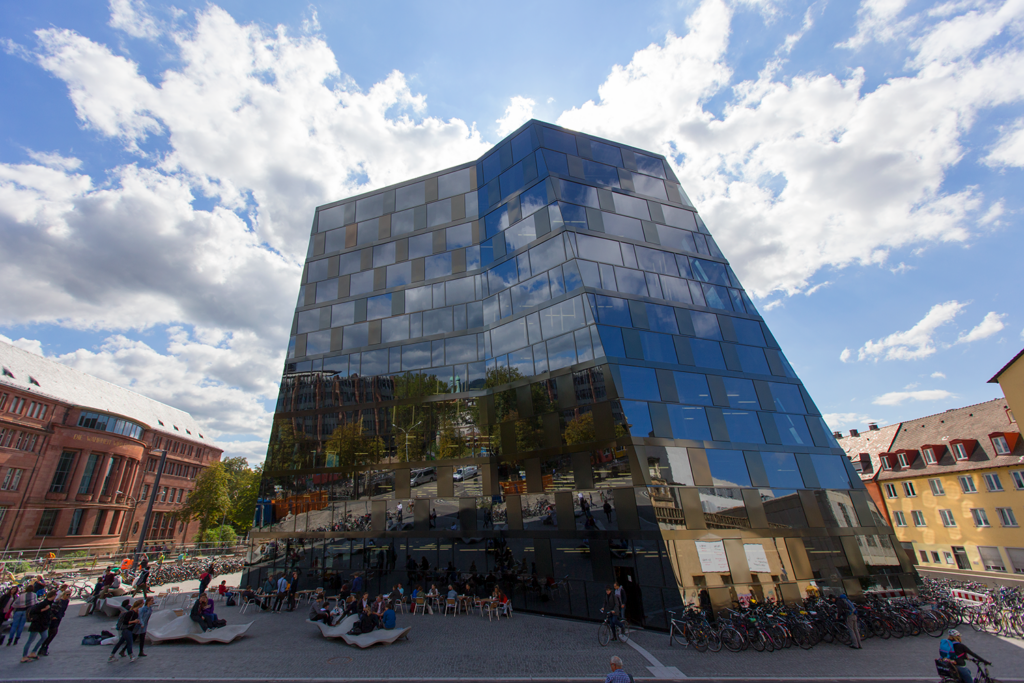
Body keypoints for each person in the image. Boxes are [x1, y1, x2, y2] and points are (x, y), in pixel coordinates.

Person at [21, 590, 52, 662]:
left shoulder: (49, 603)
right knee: (30, 640)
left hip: (42, 625)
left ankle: (33, 652)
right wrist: (44, 609)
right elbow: (34, 611)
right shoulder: (44, 603)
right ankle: (24, 657)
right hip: (36, 624)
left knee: (44, 637)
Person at [38, 589, 70, 656]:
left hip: (59, 618)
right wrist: (53, 616)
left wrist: (62, 615)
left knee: (53, 634)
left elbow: (64, 609)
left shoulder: (67, 601)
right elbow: (51, 610)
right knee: (52, 633)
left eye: (69, 594)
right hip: (54, 618)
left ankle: (44, 647)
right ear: (63, 594)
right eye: (67, 594)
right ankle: (44, 647)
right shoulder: (58, 601)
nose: (68, 596)